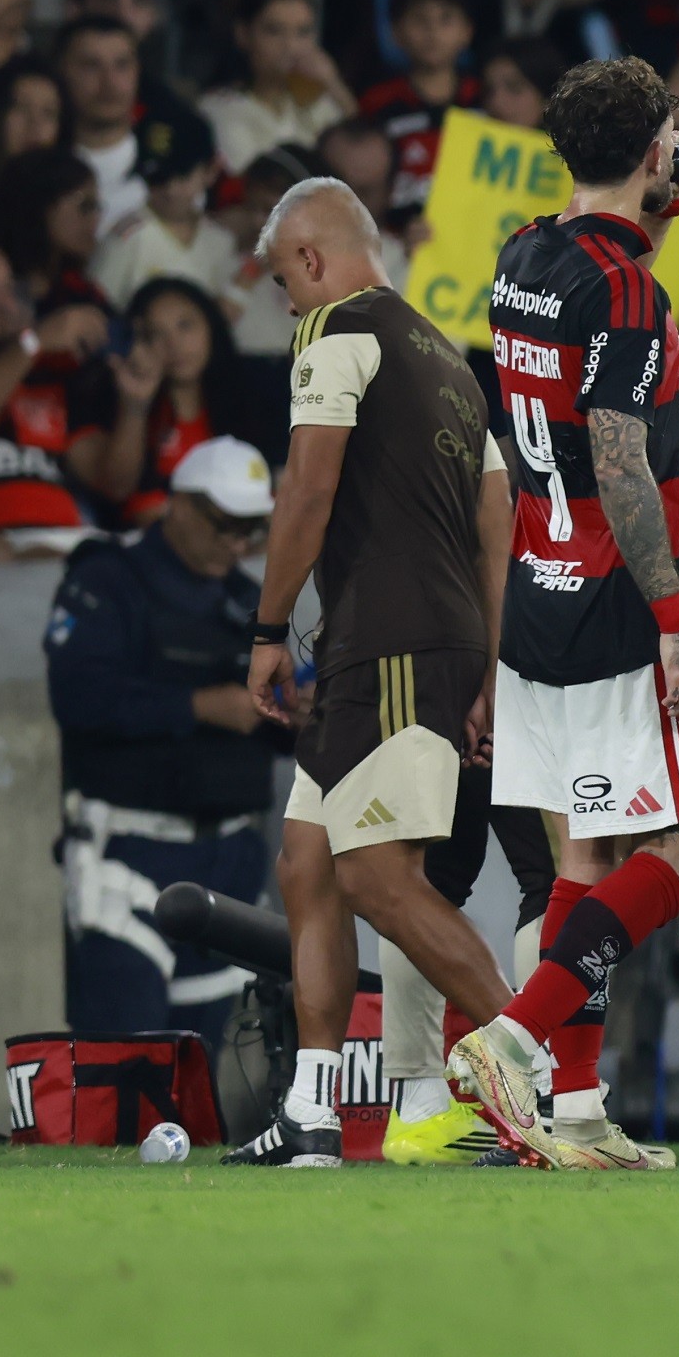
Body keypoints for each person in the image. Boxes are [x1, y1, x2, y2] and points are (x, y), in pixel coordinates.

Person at [448, 58, 679, 1166]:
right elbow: (622, 463)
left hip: (540, 589)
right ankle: (513, 1039)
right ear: (653, 149)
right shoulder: (628, 294)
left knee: (586, 853)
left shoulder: (524, 253)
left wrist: (670, 178)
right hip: (622, 595)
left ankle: (575, 1112)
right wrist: (678, 623)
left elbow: (616, 242)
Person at [230, 177, 530, 1167]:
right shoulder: (451, 362)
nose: (287, 306)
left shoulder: (336, 332)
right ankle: (312, 1109)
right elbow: (499, 529)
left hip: (387, 640)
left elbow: (307, 488)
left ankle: (533, 1073)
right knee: (307, 862)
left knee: (377, 877)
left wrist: (267, 629)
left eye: (284, 283)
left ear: (312, 260)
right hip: (422, 640)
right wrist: (489, 669)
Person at [42, 437, 281, 1040]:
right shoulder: (108, 581)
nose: (237, 544)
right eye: (225, 525)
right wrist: (199, 706)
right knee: (126, 1054)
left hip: (228, 860)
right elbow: (79, 698)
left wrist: (292, 715)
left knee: (208, 1063)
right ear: (179, 504)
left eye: (251, 530)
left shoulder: (247, 600)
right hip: (131, 853)